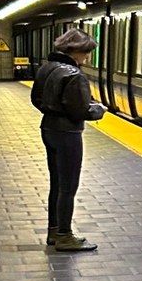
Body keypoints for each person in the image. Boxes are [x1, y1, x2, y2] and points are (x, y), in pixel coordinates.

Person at [35, 27, 100, 252]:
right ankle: (65, 235)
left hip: (49, 129)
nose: (87, 57)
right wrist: (97, 110)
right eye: (86, 52)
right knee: (69, 186)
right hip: (68, 134)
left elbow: (36, 99)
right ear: (76, 50)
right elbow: (79, 110)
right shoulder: (74, 75)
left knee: (57, 184)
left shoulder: (46, 68)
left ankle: (54, 230)